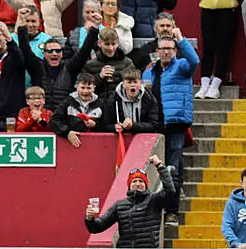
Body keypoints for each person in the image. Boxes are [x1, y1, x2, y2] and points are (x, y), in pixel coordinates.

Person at [143, 31, 198, 225]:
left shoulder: (182, 66)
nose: (166, 52)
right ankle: (155, 209)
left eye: (170, 49)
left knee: (172, 168)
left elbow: (195, 61)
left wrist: (181, 39)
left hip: (176, 123)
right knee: (157, 167)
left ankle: (172, 212)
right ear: (157, 51)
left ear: (175, 51)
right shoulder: (149, 71)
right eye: (163, 48)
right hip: (154, 125)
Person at [85, 155, 175, 249]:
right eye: (134, 181)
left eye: (141, 181)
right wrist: (90, 219)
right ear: (129, 185)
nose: (138, 184)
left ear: (146, 184)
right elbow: (98, 227)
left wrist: (159, 165)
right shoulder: (119, 205)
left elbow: (170, 191)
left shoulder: (154, 200)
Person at [21, 22, 98, 112]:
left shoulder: (69, 68)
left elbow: (84, 52)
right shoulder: (37, 68)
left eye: (58, 51)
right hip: (40, 117)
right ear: (44, 54)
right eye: (50, 51)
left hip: (64, 118)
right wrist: (22, 28)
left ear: (62, 53)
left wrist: (93, 31)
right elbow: (26, 51)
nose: (54, 53)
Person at [51, 73, 107, 149]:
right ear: (77, 87)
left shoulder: (101, 103)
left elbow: (107, 124)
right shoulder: (68, 102)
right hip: (71, 146)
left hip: (96, 146)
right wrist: (67, 132)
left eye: (89, 88)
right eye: (82, 87)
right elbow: (54, 120)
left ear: (94, 88)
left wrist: (95, 125)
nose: (85, 91)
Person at [100, 67, 160, 134]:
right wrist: (114, 127)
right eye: (129, 82)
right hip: (121, 139)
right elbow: (105, 125)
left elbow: (154, 125)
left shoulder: (149, 98)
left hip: (143, 139)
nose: (132, 85)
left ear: (140, 83)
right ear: (123, 84)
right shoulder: (113, 99)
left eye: (135, 82)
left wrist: (133, 125)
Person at [83, 27, 138, 95]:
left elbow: (134, 86)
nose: (111, 48)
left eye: (113, 44)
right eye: (107, 44)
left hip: (120, 102)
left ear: (118, 43)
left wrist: (120, 77)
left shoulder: (127, 63)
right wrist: (100, 77)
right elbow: (84, 91)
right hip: (98, 103)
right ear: (99, 43)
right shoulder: (90, 65)